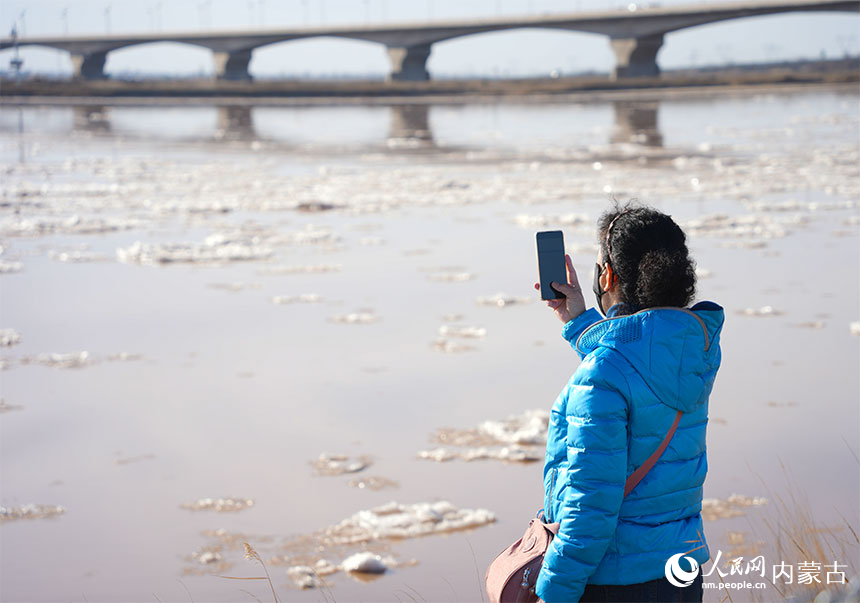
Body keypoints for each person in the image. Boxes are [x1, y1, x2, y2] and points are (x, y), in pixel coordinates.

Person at [531, 203, 724, 603]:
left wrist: (554, 591)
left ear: (608, 274)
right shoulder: (693, 348)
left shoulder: (605, 373)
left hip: (616, 583)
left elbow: (590, 508)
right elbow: (638, 367)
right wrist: (580, 323)